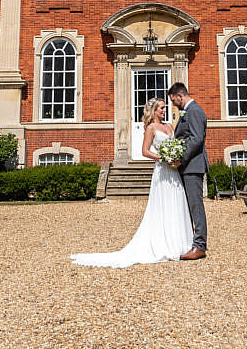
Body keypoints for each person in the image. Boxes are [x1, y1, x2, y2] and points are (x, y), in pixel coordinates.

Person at [70, 97, 192, 268]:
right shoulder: (151, 128)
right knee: (163, 205)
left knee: (176, 203)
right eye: (161, 108)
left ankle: (180, 243)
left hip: (173, 171)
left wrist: (176, 157)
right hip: (162, 170)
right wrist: (163, 157)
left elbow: (177, 144)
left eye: (165, 108)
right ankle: (163, 243)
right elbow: (145, 151)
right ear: (153, 111)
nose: (164, 111)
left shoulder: (169, 126)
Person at [166, 82, 209, 260]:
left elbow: (196, 139)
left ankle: (200, 245)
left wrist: (180, 158)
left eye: (174, 101)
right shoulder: (189, 111)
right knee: (190, 206)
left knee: (195, 205)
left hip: (193, 166)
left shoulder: (194, 111)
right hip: (188, 166)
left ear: (180, 96)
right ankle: (192, 241)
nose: (174, 104)